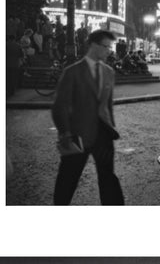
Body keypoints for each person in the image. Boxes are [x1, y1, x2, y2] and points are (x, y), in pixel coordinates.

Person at [52, 30, 124, 205]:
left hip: (104, 135)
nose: (109, 51)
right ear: (93, 45)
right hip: (78, 135)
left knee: (107, 178)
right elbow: (59, 106)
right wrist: (65, 133)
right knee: (68, 178)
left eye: (110, 47)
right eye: (106, 47)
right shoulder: (72, 72)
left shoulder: (109, 72)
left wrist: (111, 127)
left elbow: (107, 104)